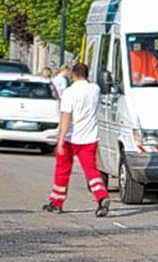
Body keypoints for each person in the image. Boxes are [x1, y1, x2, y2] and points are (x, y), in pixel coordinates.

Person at [42, 62, 110, 217]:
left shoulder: (69, 92)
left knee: (62, 170)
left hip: (71, 138)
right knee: (91, 170)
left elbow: (66, 116)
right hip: (90, 138)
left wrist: (60, 139)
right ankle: (102, 196)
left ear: (73, 75)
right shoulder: (95, 89)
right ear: (87, 74)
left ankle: (56, 201)